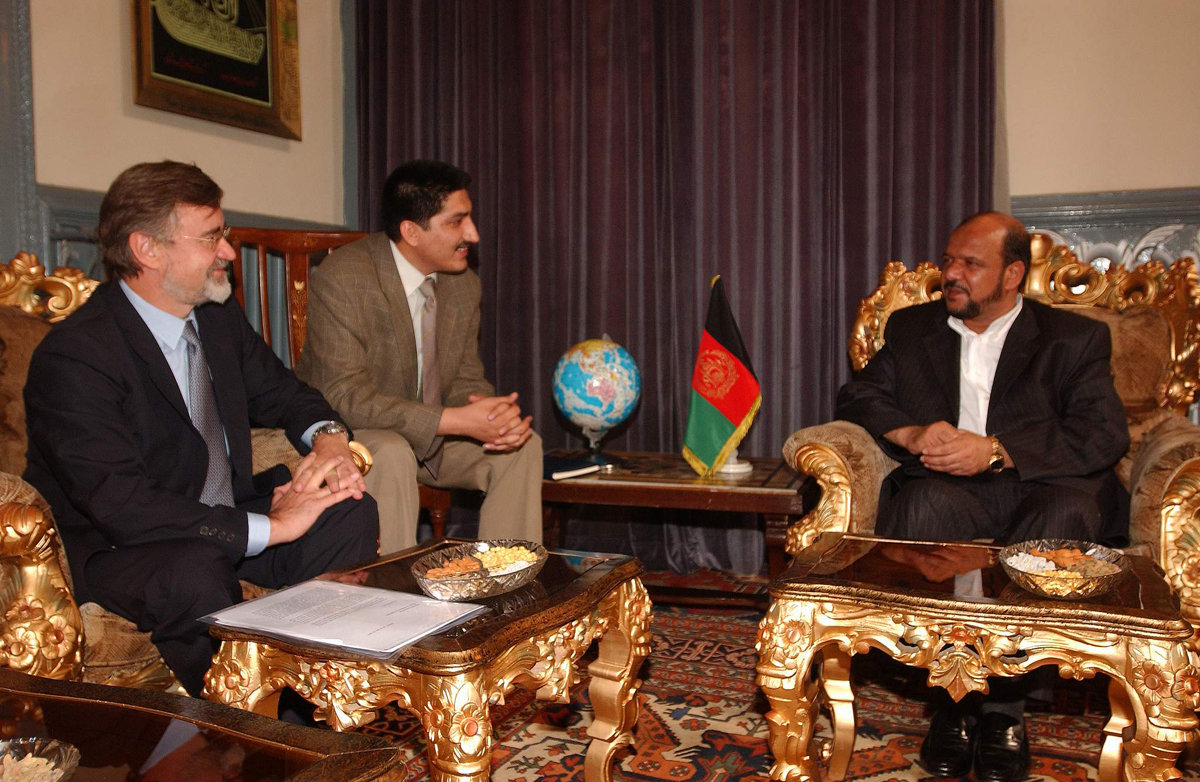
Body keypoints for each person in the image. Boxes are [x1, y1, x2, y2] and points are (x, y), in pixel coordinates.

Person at [23, 161, 380, 698]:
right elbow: (121, 505)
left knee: (348, 509)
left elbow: (284, 392)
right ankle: (252, 721)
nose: (229, 252)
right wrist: (271, 528)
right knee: (194, 570)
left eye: (224, 234)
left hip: (221, 519)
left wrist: (330, 438)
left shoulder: (216, 317)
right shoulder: (77, 356)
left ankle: (325, 690)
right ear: (147, 249)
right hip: (125, 547)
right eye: (212, 237)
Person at [835, 211, 1129, 782]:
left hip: (1044, 485)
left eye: (971, 264)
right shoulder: (913, 328)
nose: (952, 273)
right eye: (949, 260)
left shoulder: (1073, 338)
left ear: (1012, 274)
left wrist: (996, 450)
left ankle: (1004, 711)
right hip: (953, 488)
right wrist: (911, 433)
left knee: (1063, 515)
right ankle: (952, 699)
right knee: (920, 505)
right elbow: (859, 395)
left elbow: (1102, 434)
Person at [295, 160, 542, 553]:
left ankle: (505, 579)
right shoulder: (343, 277)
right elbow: (344, 397)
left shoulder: (463, 285)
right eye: (456, 221)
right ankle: (396, 588)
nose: (473, 234)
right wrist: (454, 420)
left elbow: (463, 378)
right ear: (411, 231)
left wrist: (494, 418)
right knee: (392, 451)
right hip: (353, 434)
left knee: (521, 448)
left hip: (430, 438)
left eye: (469, 218)